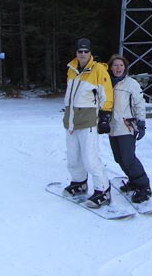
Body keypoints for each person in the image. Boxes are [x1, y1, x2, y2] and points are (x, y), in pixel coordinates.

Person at [63, 38, 113, 208]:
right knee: (73, 156)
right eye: (80, 51)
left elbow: (106, 93)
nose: (83, 54)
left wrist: (105, 116)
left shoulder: (98, 69)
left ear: (90, 52)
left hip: (88, 119)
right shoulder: (71, 69)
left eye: (86, 51)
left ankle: (103, 189)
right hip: (71, 120)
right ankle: (79, 182)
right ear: (76, 53)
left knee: (90, 158)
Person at [104, 54, 152, 203]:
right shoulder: (106, 84)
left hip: (126, 126)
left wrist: (141, 122)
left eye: (121, 65)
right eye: (115, 65)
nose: (118, 68)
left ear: (125, 68)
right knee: (119, 158)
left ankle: (144, 187)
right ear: (110, 67)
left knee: (129, 158)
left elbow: (139, 103)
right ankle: (133, 180)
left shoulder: (131, 84)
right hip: (112, 127)